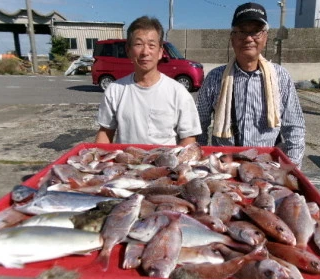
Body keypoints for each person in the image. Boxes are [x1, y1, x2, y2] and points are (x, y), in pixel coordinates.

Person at [196, 2, 305, 168]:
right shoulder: (215, 77)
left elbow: (294, 127)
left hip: (266, 166)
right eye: (241, 32)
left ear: (265, 37)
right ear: (232, 38)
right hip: (225, 165)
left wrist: (292, 168)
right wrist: (202, 161)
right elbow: (199, 124)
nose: (248, 38)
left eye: (255, 31)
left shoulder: (280, 76)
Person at [95, 16, 201, 146]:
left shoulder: (178, 92)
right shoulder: (115, 90)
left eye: (152, 45)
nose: (145, 52)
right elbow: (105, 131)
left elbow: (189, 138)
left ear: (161, 51)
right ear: (128, 50)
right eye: (138, 44)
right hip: (125, 164)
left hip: (164, 165)